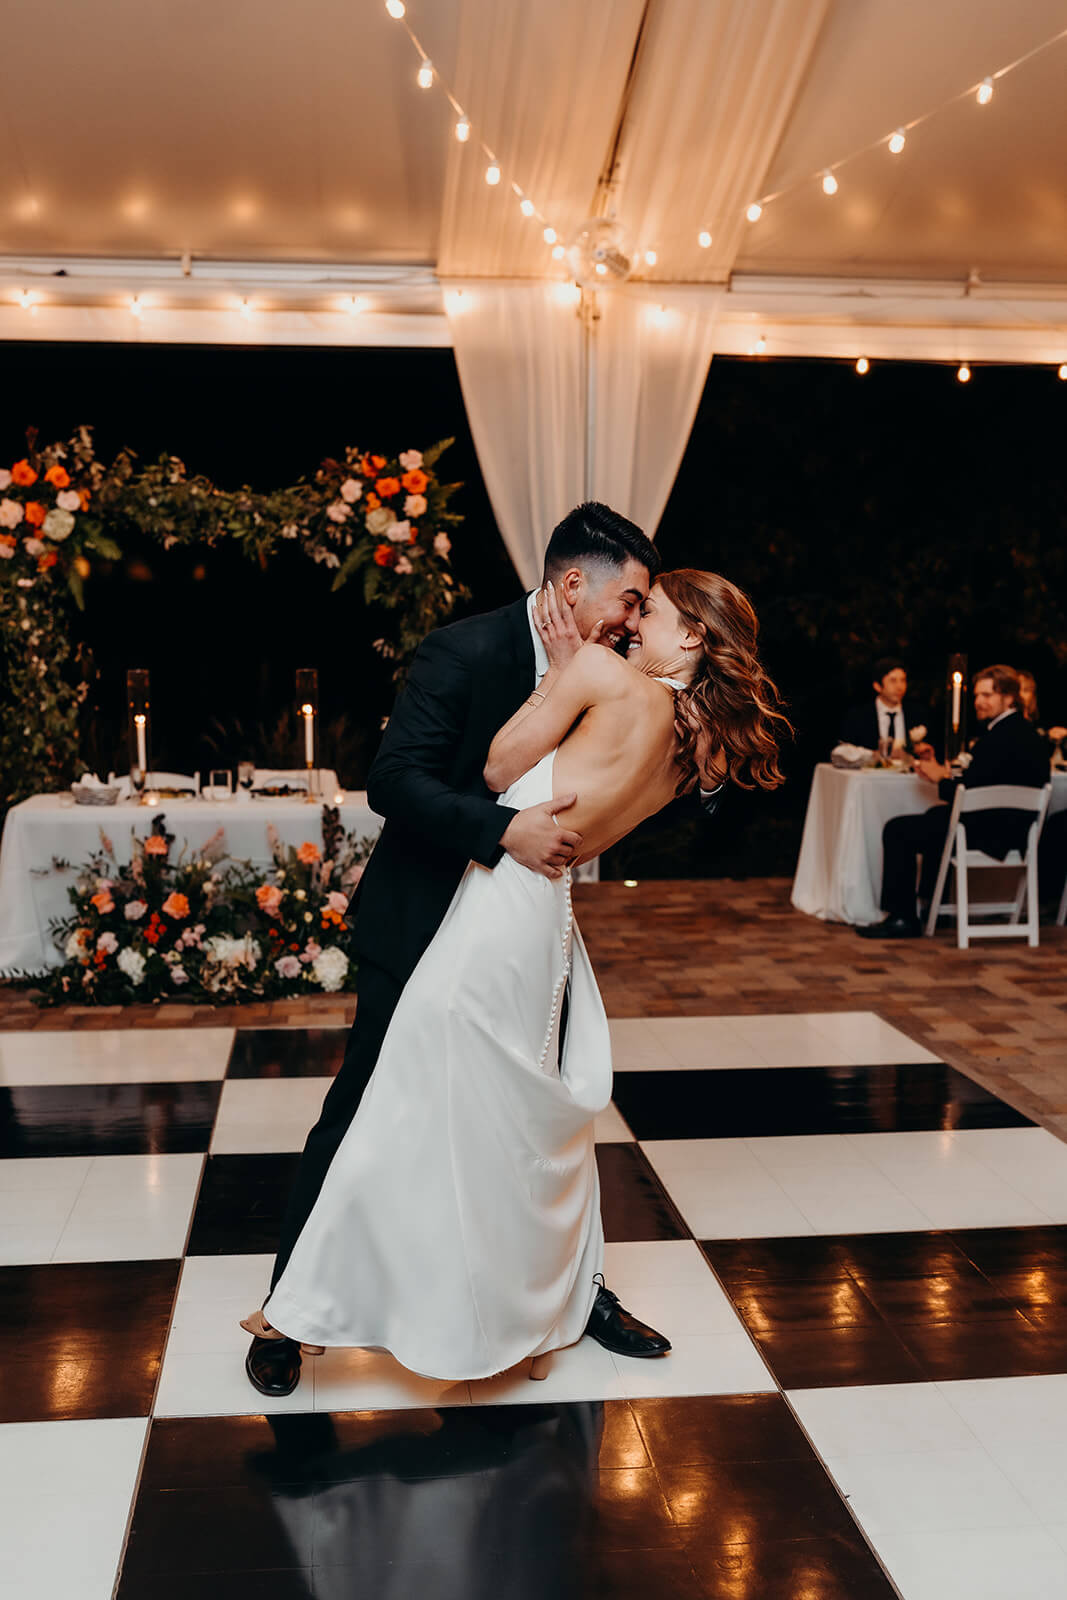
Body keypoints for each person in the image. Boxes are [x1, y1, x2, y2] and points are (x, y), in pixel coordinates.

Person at [241, 569, 787, 1385]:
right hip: (548, 920)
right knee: (512, 1118)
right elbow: (587, 835)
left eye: (652, 613)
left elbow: (499, 770)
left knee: (408, 1106)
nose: (633, 625)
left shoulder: (599, 675)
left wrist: (564, 678)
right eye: (633, 606)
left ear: (691, 638)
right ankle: (527, 1307)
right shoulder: (692, 749)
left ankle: (307, 1308)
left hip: (495, 913)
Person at [859, 664, 1050, 938]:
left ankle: (902, 917)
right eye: (976, 695)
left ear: (1009, 698)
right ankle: (932, 905)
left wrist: (940, 778)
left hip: (988, 834)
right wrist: (949, 776)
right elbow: (985, 782)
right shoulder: (1026, 733)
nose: (978, 702)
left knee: (898, 829)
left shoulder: (996, 737)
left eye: (987, 695)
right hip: (1018, 829)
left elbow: (968, 795)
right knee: (935, 817)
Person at [838, 658, 933, 757]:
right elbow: (845, 751)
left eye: (903, 680)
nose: (900, 687)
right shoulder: (858, 716)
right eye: (893, 681)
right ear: (877, 686)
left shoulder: (917, 714)